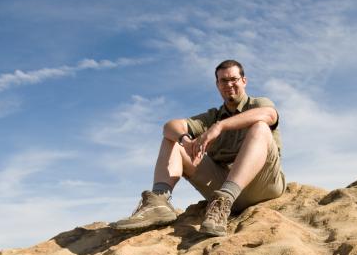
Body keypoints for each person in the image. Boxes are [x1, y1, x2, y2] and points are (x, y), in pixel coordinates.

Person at [112, 59, 286, 236]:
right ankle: (158, 203)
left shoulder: (258, 104)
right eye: (223, 81)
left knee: (260, 127)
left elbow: (270, 115)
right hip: (223, 188)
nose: (229, 84)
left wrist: (220, 126)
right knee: (172, 139)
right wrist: (186, 140)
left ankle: (224, 198)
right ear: (217, 85)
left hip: (263, 184)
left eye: (234, 79)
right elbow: (169, 126)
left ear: (244, 81)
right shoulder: (212, 116)